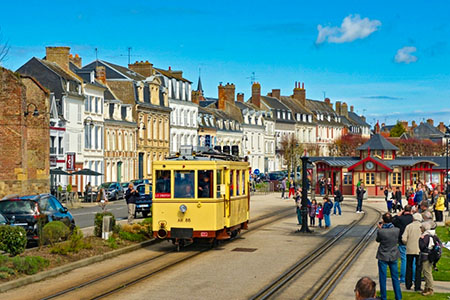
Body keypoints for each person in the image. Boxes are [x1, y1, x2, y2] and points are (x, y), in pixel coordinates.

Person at [376, 212, 402, 300]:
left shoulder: (381, 231)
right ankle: (398, 296)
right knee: (395, 277)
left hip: (383, 255)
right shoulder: (397, 230)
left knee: (382, 278)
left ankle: (384, 297)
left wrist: (380, 229)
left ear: (383, 220)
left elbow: (378, 240)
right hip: (393, 255)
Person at [392, 205, 413, 284]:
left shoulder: (400, 219)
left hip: (402, 241)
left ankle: (403, 278)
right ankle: (413, 277)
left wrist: (399, 214)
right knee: (412, 260)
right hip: (412, 241)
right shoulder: (413, 218)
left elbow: (392, 220)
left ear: (404, 210)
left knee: (404, 259)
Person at [402, 213, 423, 291]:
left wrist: (407, 243)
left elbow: (404, 238)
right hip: (419, 249)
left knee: (409, 266)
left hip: (410, 249)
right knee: (418, 268)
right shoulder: (422, 227)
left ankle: (408, 284)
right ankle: (417, 286)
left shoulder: (409, 226)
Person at [419, 221, 436, 296]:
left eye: (421, 227)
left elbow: (422, 246)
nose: (420, 228)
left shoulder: (426, 236)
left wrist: (420, 239)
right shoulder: (431, 235)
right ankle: (426, 287)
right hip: (430, 255)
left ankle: (430, 289)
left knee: (427, 273)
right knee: (426, 272)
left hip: (426, 256)